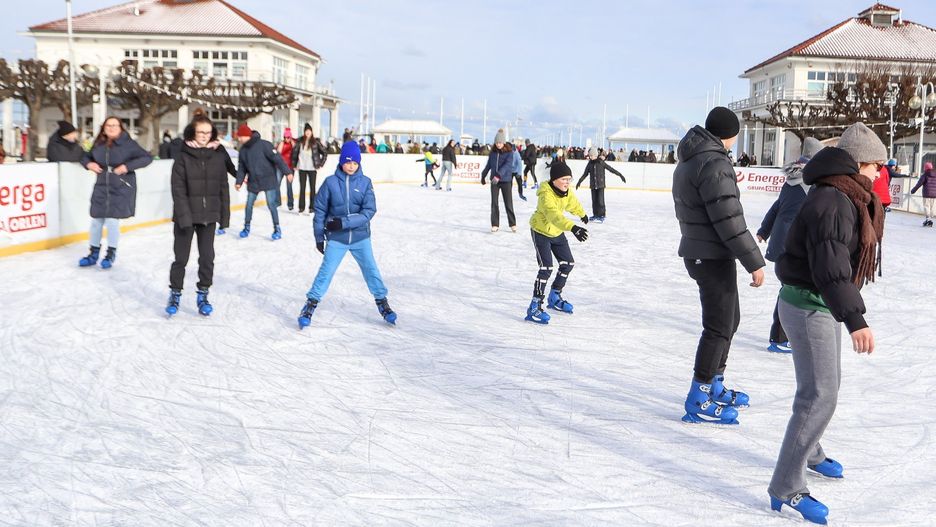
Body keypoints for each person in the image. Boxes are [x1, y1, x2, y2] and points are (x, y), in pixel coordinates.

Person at [768, 123, 886, 525]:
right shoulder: (834, 201)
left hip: (816, 303)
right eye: (875, 167)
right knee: (818, 396)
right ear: (857, 164)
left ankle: (811, 450)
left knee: (824, 387)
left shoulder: (840, 193)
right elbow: (831, 267)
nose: (878, 175)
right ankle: (786, 488)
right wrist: (856, 319)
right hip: (807, 304)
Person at [672, 106, 766, 425]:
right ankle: (699, 396)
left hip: (704, 252)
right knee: (718, 326)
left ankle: (714, 383)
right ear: (731, 134)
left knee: (729, 320)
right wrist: (754, 261)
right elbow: (729, 218)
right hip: (710, 253)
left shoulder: (694, 158)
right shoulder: (713, 162)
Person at [297, 141, 396, 327]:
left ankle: (382, 302)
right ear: (342, 161)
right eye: (348, 162)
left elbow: (369, 211)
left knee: (371, 271)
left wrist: (343, 222)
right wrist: (319, 237)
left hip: (360, 238)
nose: (351, 166)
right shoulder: (330, 183)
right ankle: (310, 304)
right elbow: (319, 211)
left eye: (355, 163)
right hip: (337, 239)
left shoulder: (365, 183)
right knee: (325, 272)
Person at [756, 137, 823, 354]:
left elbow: (777, 208)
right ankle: (780, 338)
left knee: (789, 289)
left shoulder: (793, 179)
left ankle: (783, 336)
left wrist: (764, 231)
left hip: (782, 242)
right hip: (792, 244)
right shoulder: (809, 182)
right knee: (790, 291)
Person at [166, 115, 230, 317]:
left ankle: (203, 293)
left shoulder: (218, 156)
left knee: (207, 257)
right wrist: (184, 217)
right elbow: (178, 189)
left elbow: (223, 187)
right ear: (193, 132)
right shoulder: (183, 156)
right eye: (200, 132)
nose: (204, 136)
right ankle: (175, 293)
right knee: (181, 258)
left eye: (207, 132)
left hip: (209, 215)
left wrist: (224, 217)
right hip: (186, 216)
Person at [78, 117, 153, 269]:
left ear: (120, 127)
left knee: (112, 221)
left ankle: (110, 253)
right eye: (108, 125)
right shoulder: (99, 143)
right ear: (104, 128)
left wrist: (127, 166)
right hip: (101, 186)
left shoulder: (128, 144)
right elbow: (85, 157)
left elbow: (147, 158)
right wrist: (88, 164)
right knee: (96, 221)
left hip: (121, 186)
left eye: (115, 125)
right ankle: (93, 253)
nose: (111, 128)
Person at [525, 161, 589, 324]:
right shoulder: (546, 195)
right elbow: (555, 216)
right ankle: (534, 307)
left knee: (568, 263)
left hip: (557, 231)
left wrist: (581, 214)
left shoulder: (567, 192)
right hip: (541, 231)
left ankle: (554, 296)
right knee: (546, 268)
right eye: (564, 179)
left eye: (569, 179)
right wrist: (573, 228)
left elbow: (572, 203)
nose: (567, 182)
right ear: (554, 179)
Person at [234, 124, 291, 240]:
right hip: (253, 182)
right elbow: (241, 168)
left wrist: (287, 172)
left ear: (246, 135)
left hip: (268, 180)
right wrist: (239, 181)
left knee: (271, 205)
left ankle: (277, 228)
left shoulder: (264, 145)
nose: (239, 139)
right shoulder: (243, 150)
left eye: (240, 136)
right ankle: (246, 227)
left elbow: (277, 159)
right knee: (249, 205)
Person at [576, 146, 626, 222]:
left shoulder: (601, 162)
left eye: (591, 155)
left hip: (600, 185)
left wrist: (620, 175)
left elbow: (611, 169)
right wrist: (579, 182)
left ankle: (602, 215)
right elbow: (585, 174)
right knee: (594, 201)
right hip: (593, 185)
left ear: (595, 155)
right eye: (590, 155)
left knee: (600, 201)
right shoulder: (590, 164)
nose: (590, 157)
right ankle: (595, 214)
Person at [481, 129, 517, 232]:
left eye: (500, 142)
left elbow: (507, 166)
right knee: (494, 203)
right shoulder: (493, 153)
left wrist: (498, 175)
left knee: (508, 203)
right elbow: (488, 165)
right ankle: (495, 224)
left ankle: (512, 223)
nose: (498, 144)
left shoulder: (509, 153)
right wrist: (483, 176)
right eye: (497, 142)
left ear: (504, 142)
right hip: (494, 181)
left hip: (505, 180)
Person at [291, 123, 328, 215]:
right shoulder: (300, 142)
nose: (307, 132)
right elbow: (294, 154)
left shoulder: (315, 142)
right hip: (302, 168)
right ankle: (301, 208)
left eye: (309, 131)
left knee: (312, 188)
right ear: (304, 132)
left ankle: (312, 208)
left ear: (311, 132)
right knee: (302, 188)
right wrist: (294, 164)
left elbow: (324, 152)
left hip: (312, 168)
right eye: (306, 131)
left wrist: (321, 164)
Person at [910, 161, 935, 226]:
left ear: (925, 168)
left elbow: (919, 184)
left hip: (927, 193)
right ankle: (931, 219)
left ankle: (928, 219)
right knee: (932, 207)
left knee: (926, 206)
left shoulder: (925, 175)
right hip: (934, 194)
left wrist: (913, 190)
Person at [277, 128, 297, 211]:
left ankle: (290, 204)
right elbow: (277, 153)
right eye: (285, 137)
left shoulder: (294, 144)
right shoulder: (281, 144)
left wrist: (293, 144)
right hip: (280, 167)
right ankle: (278, 203)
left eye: (288, 137)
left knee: (289, 186)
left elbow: (297, 152)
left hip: (290, 168)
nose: (286, 139)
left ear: (291, 137)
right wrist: (281, 145)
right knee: (277, 185)